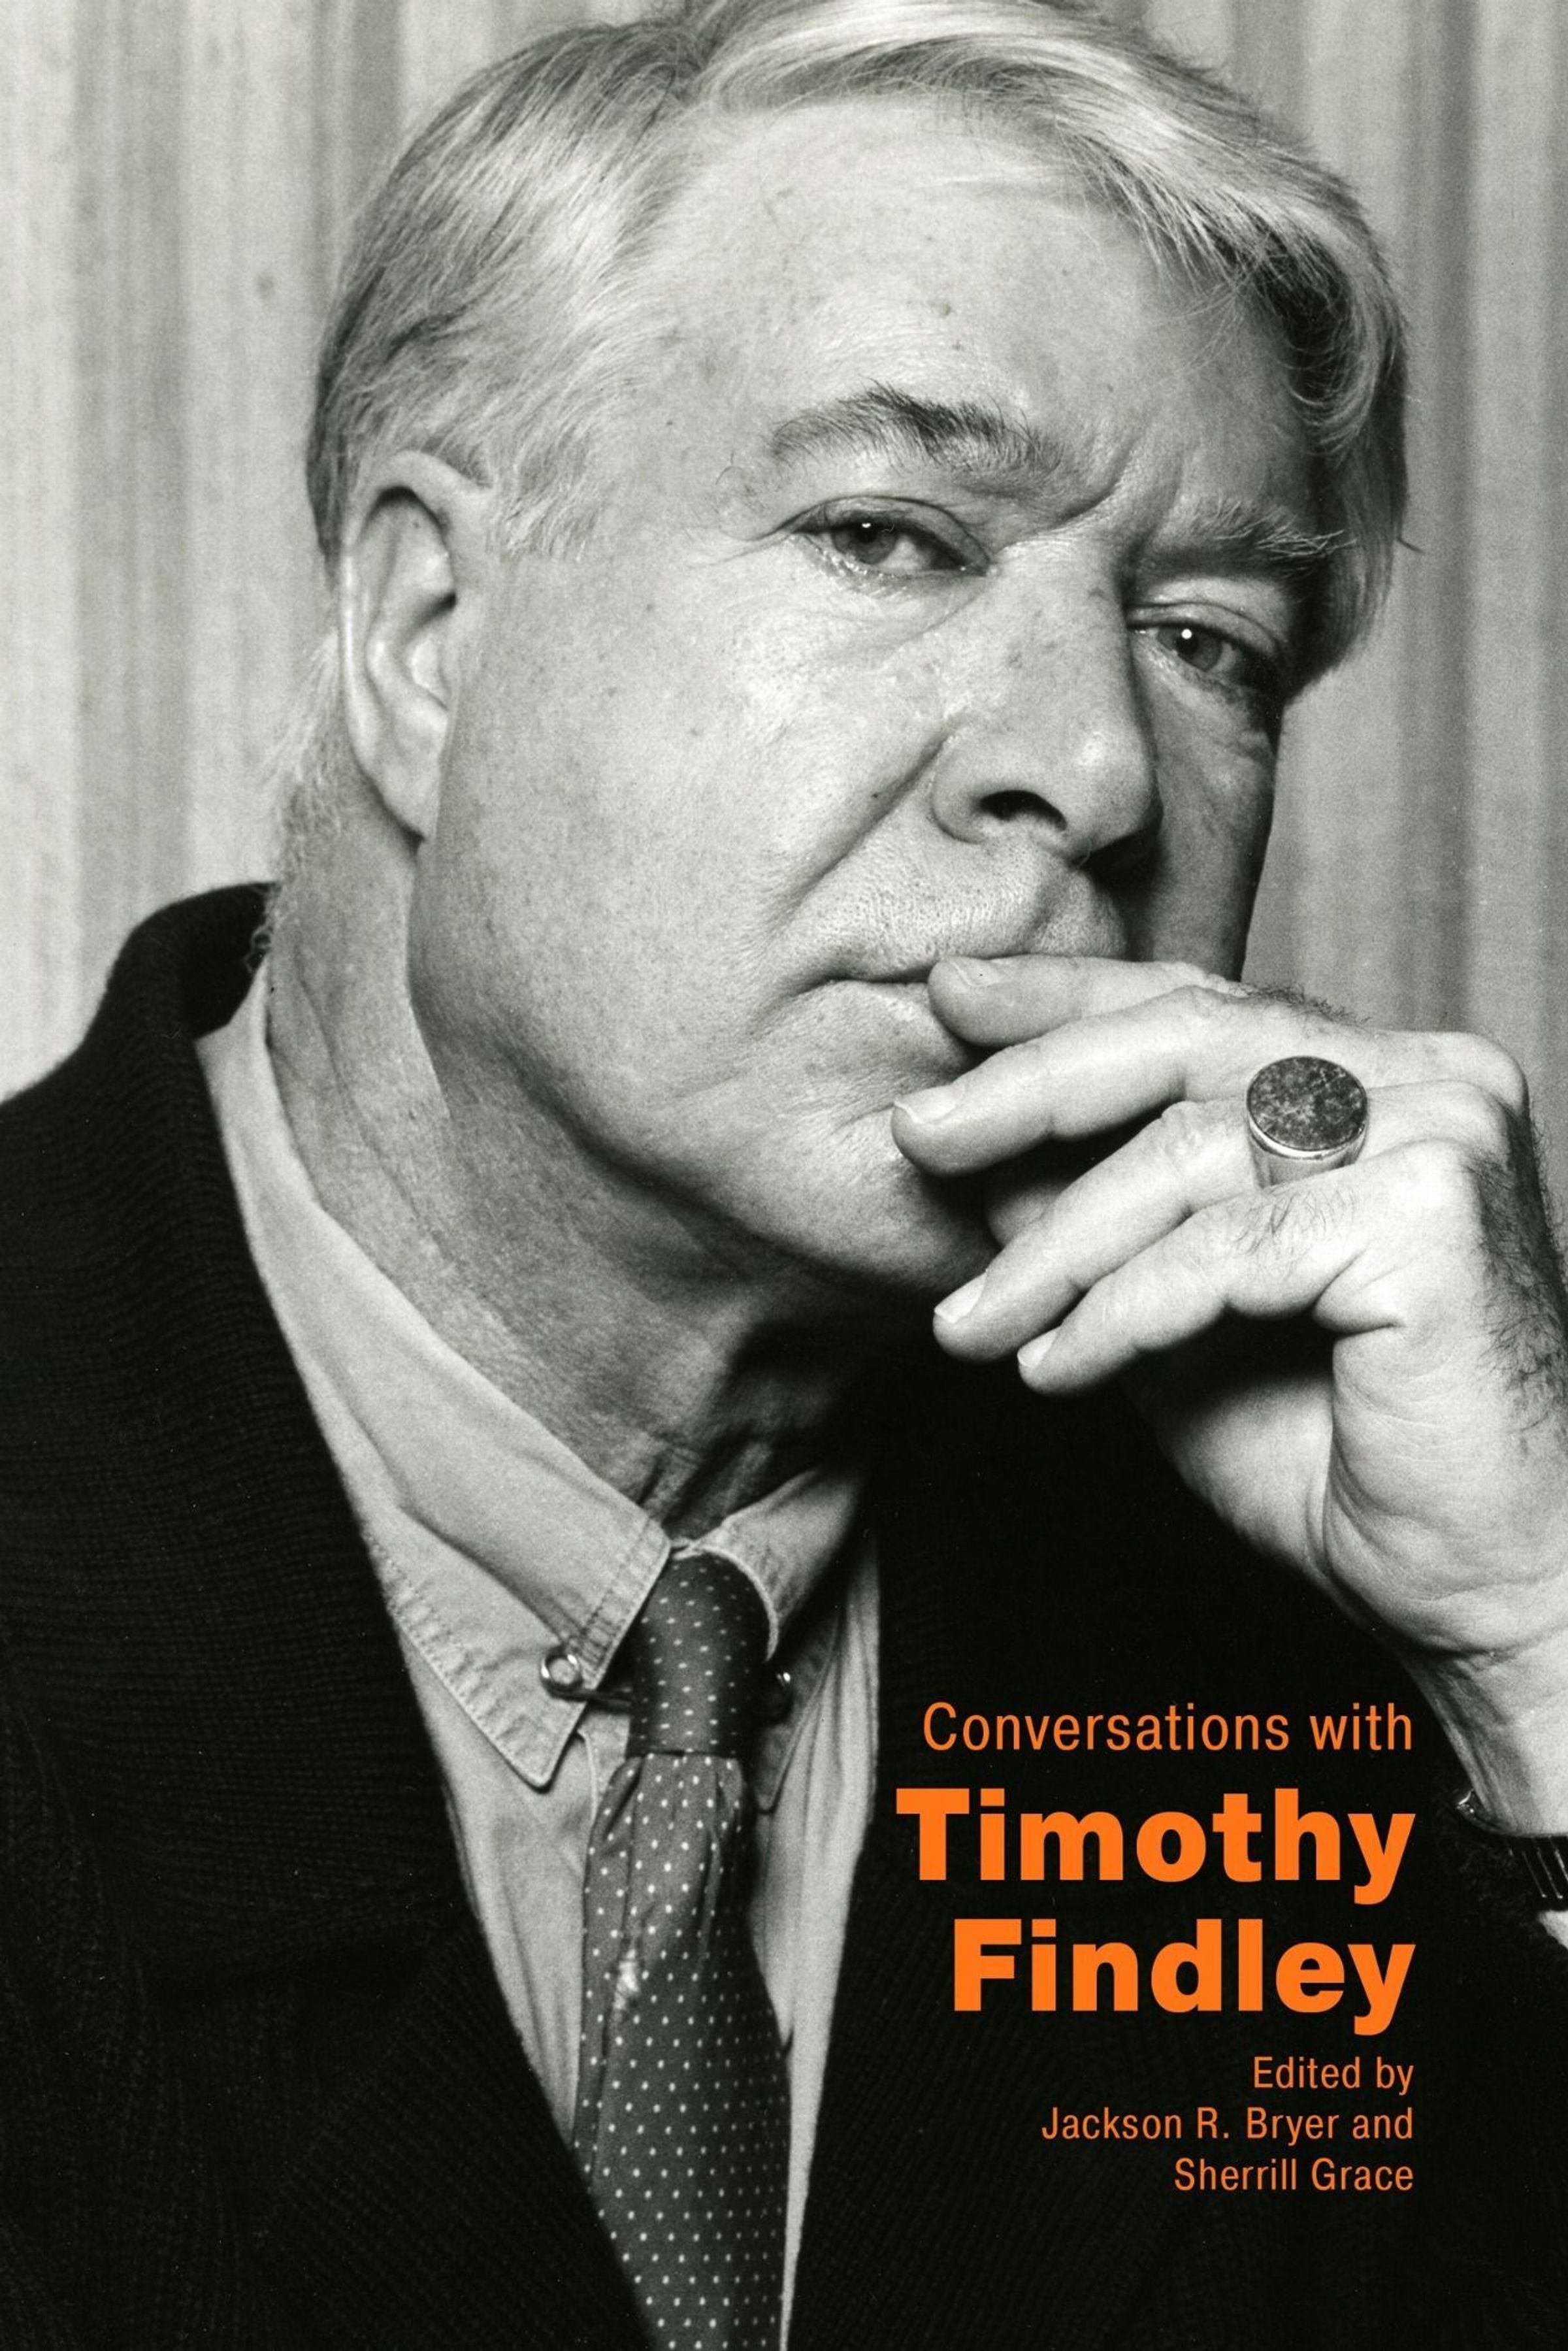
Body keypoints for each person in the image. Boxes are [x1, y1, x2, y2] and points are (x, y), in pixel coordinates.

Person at [5, 1, 1568, 2344]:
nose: (1096, 770)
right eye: (891, 536)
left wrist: (1541, 1641)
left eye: (1205, 639)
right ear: (427, 636)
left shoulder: (1309, 1660)